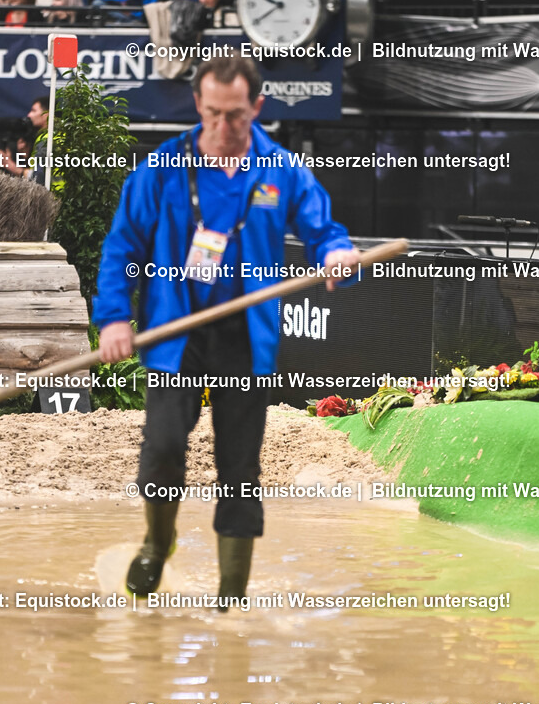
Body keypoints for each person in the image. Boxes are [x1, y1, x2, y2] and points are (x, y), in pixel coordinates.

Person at [93, 53, 359, 605]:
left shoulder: (281, 171)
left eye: (235, 115)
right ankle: (156, 543)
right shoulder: (163, 168)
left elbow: (324, 230)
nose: (222, 127)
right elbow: (123, 246)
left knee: (239, 466)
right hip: (175, 334)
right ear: (198, 104)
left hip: (246, 336)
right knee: (164, 446)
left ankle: (230, 597)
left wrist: (337, 256)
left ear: (256, 107)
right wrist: (115, 317)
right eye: (212, 113)